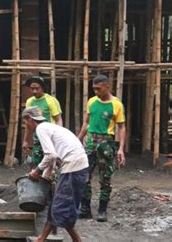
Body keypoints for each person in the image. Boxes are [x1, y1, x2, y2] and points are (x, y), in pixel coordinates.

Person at [23, 106, 89, 242]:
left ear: (30, 119)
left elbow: (50, 155)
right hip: (77, 166)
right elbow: (54, 158)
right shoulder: (49, 127)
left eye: (25, 122)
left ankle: (75, 240)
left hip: (73, 167)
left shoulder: (41, 129)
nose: (26, 126)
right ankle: (42, 239)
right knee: (59, 205)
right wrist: (45, 176)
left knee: (59, 207)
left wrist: (37, 171)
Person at [78, 74, 126, 222]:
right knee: (84, 176)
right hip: (90, 142)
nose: (96, 92)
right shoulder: (91, 102)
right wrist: (78, 140)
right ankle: (85, 209)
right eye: (94, 89)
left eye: (98, 89)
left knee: (105, 178)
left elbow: (122, 127)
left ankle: (102, 211)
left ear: (107, 86)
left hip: (106, 144)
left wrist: (120, 149)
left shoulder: (116, 104)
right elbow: (86, 123)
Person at [22, 76, 63, 166]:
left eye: (37, 88)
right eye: (32, 89)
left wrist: (58, 138)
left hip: (50, 137)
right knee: (37, 162)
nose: (34, 91)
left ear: (43, 88)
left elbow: (58, 120)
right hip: (37, 137)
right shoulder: (29, 102)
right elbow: (28, 123)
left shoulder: (51, 101)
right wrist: (26, 141)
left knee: (51, 161)